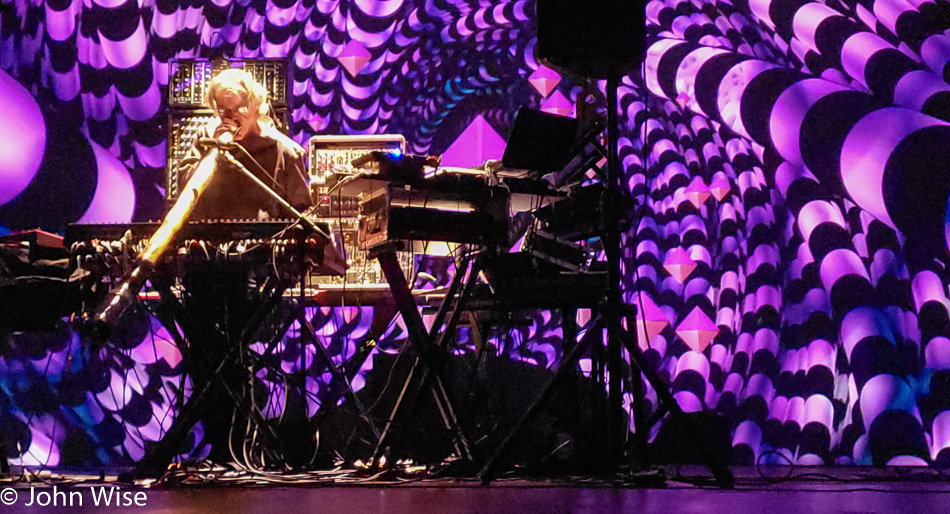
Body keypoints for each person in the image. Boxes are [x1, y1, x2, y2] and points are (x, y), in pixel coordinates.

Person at [179, 68, 312, 220]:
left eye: (240, 108)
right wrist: (214, 152)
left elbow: (301, 212)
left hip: (266, 241)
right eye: (223, 110)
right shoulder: (205, 138)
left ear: (256, 105)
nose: (231, 116)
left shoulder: (286, 151)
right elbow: (186, 190)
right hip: (213, 237)